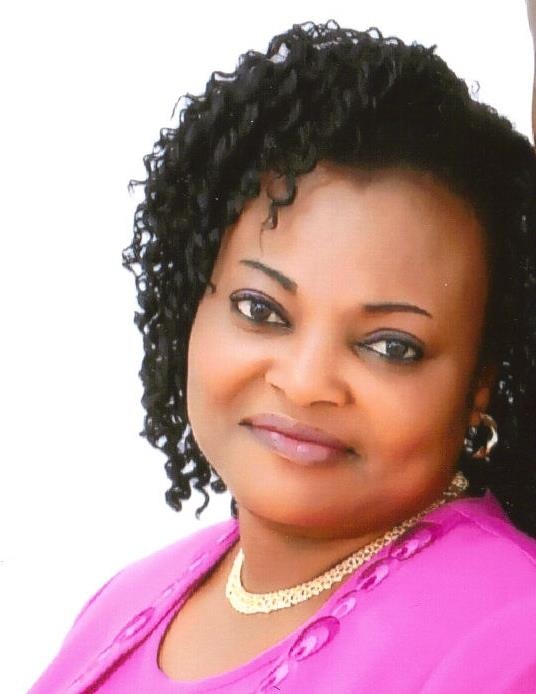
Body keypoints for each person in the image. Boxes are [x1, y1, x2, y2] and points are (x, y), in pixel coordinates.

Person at [30, 19, 536, 694]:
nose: (304, 382)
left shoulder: (513, 637)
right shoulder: (126, 600)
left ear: (479, 384)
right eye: (261, 310)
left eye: (390, 346)